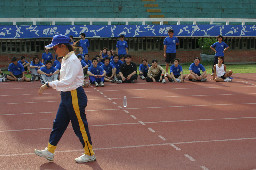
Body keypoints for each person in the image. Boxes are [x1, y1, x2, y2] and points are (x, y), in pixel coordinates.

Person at [35, 35, 96, 163]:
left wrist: (48, 84)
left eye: (55, 47)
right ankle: (50, 151)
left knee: (79, 126)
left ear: (63, 46)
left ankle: (89, 153)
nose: (54, 50)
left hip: (74, 96)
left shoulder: (73, 60)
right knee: (58, 124)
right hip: (66, 96)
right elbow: (64, 81)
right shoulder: (65, 59)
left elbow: (68, 82)